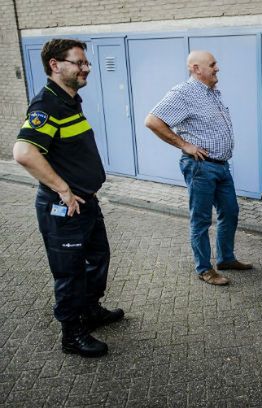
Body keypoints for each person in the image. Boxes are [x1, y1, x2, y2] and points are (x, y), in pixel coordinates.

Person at [13, 38, 124, 358]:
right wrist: (63, 189)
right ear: (55, 65)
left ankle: (90, 310)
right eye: (79, 62)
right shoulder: (46, 105)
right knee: (70, 271)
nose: (86, 67)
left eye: (86, 62)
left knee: (98, 257)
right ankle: (72, 334)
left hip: (87, 203)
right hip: (64, 208)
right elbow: (24, 152)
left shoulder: (69, 100)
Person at [145, 50, 252, 287]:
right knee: (201, 219)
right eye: (213, 64)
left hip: (222, 167)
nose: (217, 68)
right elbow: (152, 120)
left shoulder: (213, 92)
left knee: (230, 212)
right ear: (196, 68)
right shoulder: (183, 93)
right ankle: (205, 269)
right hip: (200, 167)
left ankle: (226, 258)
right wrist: (184, 144)